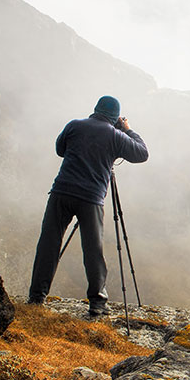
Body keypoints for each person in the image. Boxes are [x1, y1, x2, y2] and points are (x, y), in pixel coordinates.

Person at [26, 95, 149, 315]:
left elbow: (60, 150)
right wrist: (127, 129)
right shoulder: (115, 135)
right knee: (93, 251)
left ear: (95, 109)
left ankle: (36, 297)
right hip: (90, 199)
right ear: (115, 118)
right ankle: (97, 304)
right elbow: (142, 153)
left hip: (61, 192)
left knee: (49, 243)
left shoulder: (75, 125)